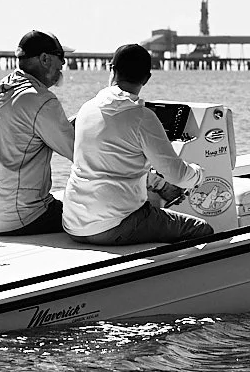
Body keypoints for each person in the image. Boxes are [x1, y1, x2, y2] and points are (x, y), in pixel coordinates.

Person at [63, 44, 214, 246]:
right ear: (147, 78)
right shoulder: (141, 117)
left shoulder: (86, 109)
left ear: (112, 69)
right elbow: (177, 175)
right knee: (202, 229)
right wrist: (198, 174)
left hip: (73, 224)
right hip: (116, 226)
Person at [0, 30, 74, 235]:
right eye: (61, 58)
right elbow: (78, 152)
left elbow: (28, 132)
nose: (63, 65)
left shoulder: (4, 90)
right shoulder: (41, 100)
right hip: (20, 216)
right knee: (97, 215)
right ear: (45, 59)